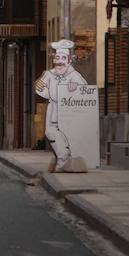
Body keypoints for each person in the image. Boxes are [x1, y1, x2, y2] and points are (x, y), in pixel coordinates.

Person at [34, 39, 85, 172]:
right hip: (53, 108)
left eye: (63, 58)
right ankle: (63, 157)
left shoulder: (74, 75)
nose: (59, 61)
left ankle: (63, 159)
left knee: (68, 134)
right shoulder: (49, 74)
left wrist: (76, 89)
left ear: (69, 61)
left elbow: (85, 91)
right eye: (57, 58)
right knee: (50, 132)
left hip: (70, 110)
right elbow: (40, 89)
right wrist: (38, 85)